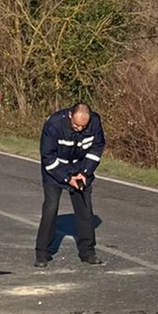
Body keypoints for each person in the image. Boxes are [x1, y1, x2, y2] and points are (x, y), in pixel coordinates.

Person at [35, 102, 106, 267]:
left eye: (83, 126)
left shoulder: (95, 122)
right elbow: (47, 157)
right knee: (50, 208)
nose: (80, 129)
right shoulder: (53, 125)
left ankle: (88, 251)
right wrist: (67, 178)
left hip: (81, 167)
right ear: (69, 115)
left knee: (85, 209)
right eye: (76, 125)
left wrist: (85, 172)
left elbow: (97, 148)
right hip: (56, 169)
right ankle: (42, 253)